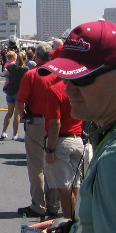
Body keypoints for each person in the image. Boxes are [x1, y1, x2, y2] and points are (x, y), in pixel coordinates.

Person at [12, 20, 116, 233]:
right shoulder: (115, 131)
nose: (68, 89)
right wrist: (72, 230)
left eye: (81, 79)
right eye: (65, 78)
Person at [15, 43, 60, 217]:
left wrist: (25, 117)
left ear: (38, 57)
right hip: (56, 122)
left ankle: (38, 204)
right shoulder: (59, 74)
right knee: (53, 164)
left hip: (37, 121)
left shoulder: (32, 74)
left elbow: (20, 102)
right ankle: (54, 204)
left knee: (36, 166)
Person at [42, 73, 84, 219]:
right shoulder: (80, 87)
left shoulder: (55, 89)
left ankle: (70, 223)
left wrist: (50, 149)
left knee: (64, 187)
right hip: (78, 139)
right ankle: (78, 221)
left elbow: (55, 122)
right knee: (76, 184)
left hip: (62, 141)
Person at [1, 51, 28, 140]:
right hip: (19, 92)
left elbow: (4, 71)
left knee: (9, 112)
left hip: (10, 91)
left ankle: (4, 131)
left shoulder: (11, 67)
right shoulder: (25, 69)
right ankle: (15, 134)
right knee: (17, 114)